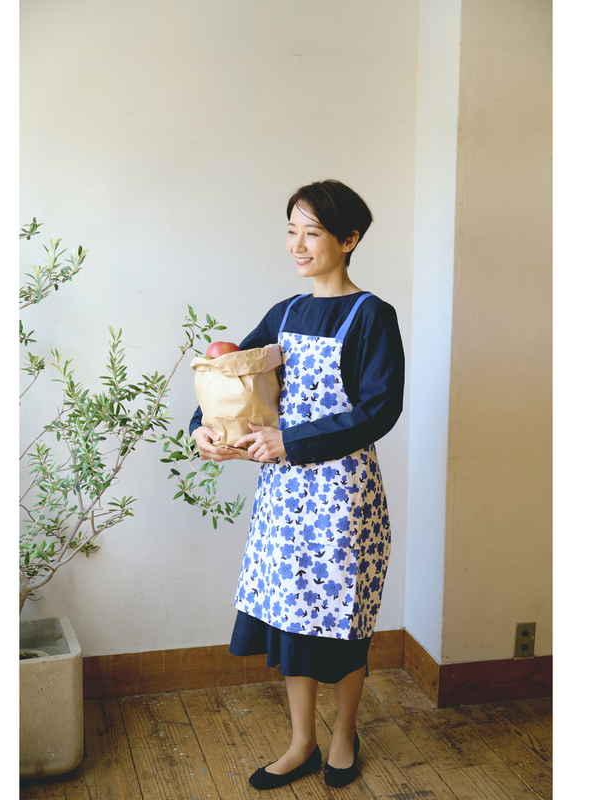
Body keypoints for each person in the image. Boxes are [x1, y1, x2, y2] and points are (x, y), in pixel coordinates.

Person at [189, 179, 404, 790]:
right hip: (284, 499)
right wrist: (205, 428)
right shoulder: (284, 313)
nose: (298, 245)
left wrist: (292, 441)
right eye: (292, 231)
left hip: (343, 495)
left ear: (349, 239)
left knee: (341, 618)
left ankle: (343, 735)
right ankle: (301, 742)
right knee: (291, 617)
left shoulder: (372, 315)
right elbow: (232, 378)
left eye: (312, 232)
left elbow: (379, 410)